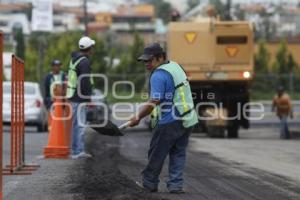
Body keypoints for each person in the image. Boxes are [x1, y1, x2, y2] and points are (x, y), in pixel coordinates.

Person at [129, 43, 198, 193]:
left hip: (169, 121)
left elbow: (154, 102)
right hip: (187, 118)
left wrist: (138, 116)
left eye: (150, 60)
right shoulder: (175, 67)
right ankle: (175, 185)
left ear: (161, 58)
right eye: (144, 61)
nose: (147, 64)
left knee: (156, 154)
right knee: (178, 153)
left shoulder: (159, 75)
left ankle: (149, 184)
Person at [66, 36, 95, 159]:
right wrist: (87, 97)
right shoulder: (84, 62)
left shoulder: (75, 59)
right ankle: (78, 151)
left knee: (76, 124)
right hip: (79, 97)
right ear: (90, 48)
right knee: (81, 124)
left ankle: (75, 150)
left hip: (73, 96)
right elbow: (84, 81)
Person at [44, 60, 66, 131]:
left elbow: (66, 86)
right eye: (56, 66)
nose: (58, 67)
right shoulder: (48, 77)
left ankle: (60, 129)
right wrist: (47, 100)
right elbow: (46, 90)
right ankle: (51, 128)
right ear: (52, 67)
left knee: (61, 116)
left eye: (59, 66)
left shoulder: (64, 75)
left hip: (61, 100)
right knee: (51, 115)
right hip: (51, 100)